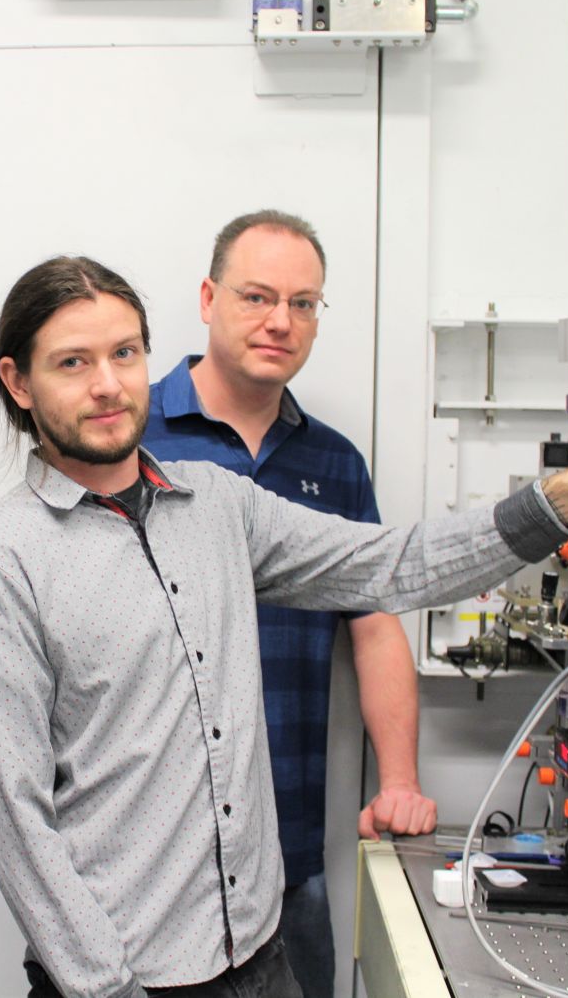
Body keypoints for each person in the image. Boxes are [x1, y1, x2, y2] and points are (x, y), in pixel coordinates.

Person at [0, 255, 568, 998]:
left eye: (125, 353)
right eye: (73, 362)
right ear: (19, 381)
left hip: (263, 956)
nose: (108, 384)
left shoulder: (219, 506)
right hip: (128, 977)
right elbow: (17, 821)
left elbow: (391, 563)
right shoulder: (1, 560)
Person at [143, 210, 427, 996]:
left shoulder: (334, 463)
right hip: (150, 861)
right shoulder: (131, 436)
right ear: (207, 297)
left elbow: (374, 622)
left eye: (303, 303)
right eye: (258, 295)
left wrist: (397, 778)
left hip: (288, 852)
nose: (281, 321)